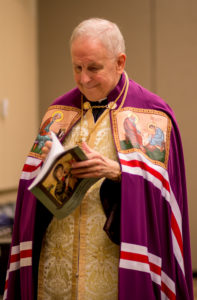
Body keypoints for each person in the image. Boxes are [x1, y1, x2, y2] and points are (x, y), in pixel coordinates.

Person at [4, 18, 193, 300]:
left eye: (93, 68)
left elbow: (165, 197)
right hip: (56, 269)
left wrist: (118, 172)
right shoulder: (58, 112)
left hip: (115, 270)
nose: (84, 79)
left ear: (120, 62)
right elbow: (29, 194)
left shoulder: (153, 114)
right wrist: (48, 165)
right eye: (77, 68)